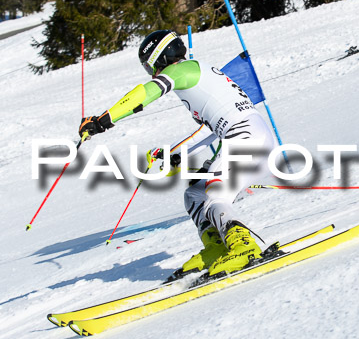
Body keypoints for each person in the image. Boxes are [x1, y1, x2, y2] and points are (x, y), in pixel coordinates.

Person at [78, 30, 276, 280]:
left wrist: (103, 120)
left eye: (149, 67)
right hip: (249, 136)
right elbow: (209, 129)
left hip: (245, 137)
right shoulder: (197, 76)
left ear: (158, 58)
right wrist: (174, 153)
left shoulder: (181, 70)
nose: (152, 73)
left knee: (216, 195)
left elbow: (144, 94)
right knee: (194, 194)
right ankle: (216, 247)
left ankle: (243, 247)